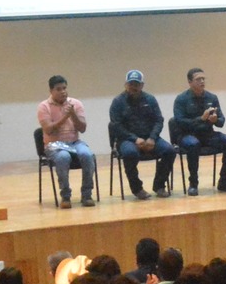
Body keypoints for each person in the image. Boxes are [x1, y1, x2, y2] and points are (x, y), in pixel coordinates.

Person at [170, 67, 226, 195]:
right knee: (193, 144)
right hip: (186, 135)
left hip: (207, 134)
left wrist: (215, 120)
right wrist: (201, 119)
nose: (202, 81)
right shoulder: (181, 99)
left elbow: (221, 122)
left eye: (203, 79)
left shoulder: (212, 97)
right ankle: (193, 183)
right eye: (198, 79)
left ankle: (224, 181)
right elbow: (179, 123)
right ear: (190, 82)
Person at [109, 70, 175, 199]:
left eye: (137, 84)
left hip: (150, 138)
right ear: (125, 85)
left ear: (142, 85)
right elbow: (116, 126)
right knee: (129, 154)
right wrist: (134, 139)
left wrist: (152, 138)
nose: (133, 87)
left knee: (170, 151)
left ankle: (159, 185)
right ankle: (137, 189)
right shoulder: (117, 102)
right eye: (131, 84)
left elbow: (158, 120)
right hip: (127, 139)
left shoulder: (150, 99)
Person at [36, 74, 96, 207]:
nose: (63, 92)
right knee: (63, 157)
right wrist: (64, 117)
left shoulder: (76, 104)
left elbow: (82, 128)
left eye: (64, 88)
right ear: (51, 91)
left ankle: (87, 195)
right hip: (54, 144)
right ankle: (65, 196)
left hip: (74, 142)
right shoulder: (43, 107)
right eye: (58, 89)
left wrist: (73, 115)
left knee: (87, 154)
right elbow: (49, 130)